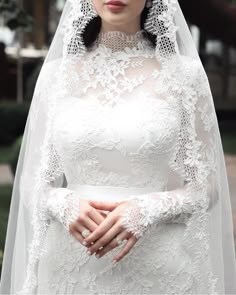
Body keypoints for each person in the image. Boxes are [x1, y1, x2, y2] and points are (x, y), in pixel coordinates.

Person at [0, 0, 236, 294]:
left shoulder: (184, 75)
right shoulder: (56, 76)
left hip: (158, 269)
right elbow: (31, 179)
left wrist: (148, 209)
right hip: (67, 269)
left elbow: (207, 184)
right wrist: (61, 203)